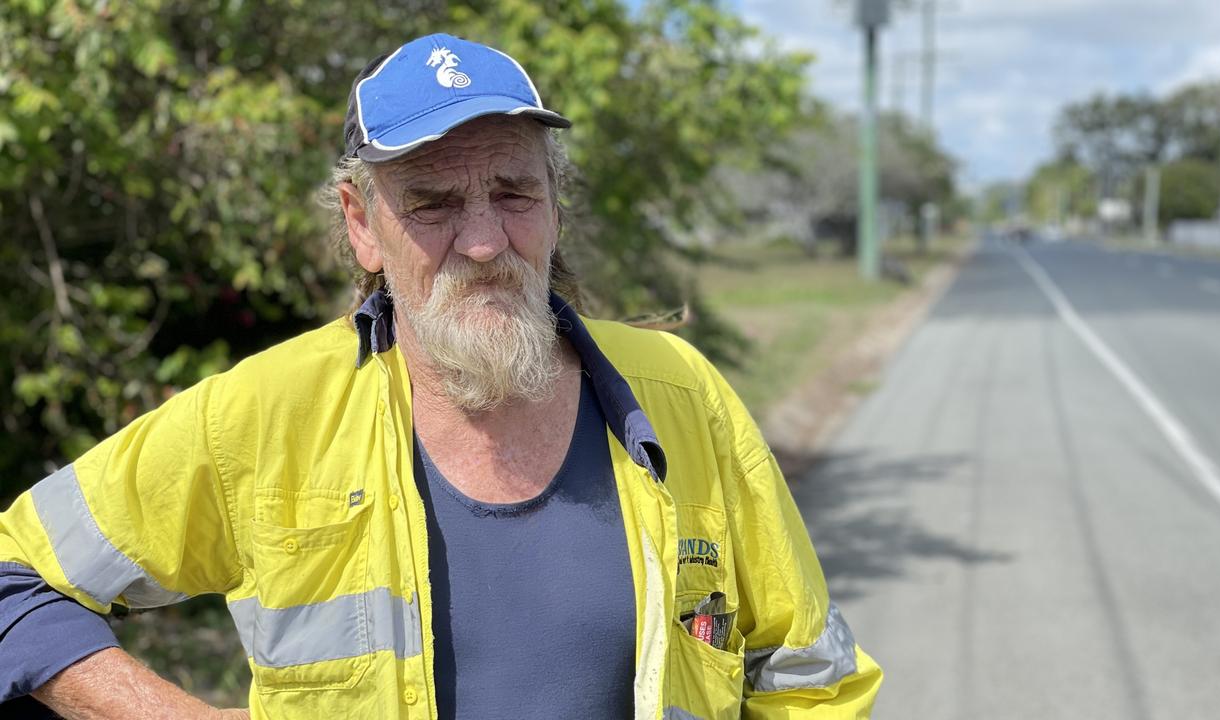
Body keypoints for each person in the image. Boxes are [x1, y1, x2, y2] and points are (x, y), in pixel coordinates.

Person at [0, 32, 882, 719]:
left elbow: (806, 673)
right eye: (430, 203)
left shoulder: (678, 396)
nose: (485, 240)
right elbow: (15, 570)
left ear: (554, 201)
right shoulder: (266, 416)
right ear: (360, 223)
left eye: (513, 191)